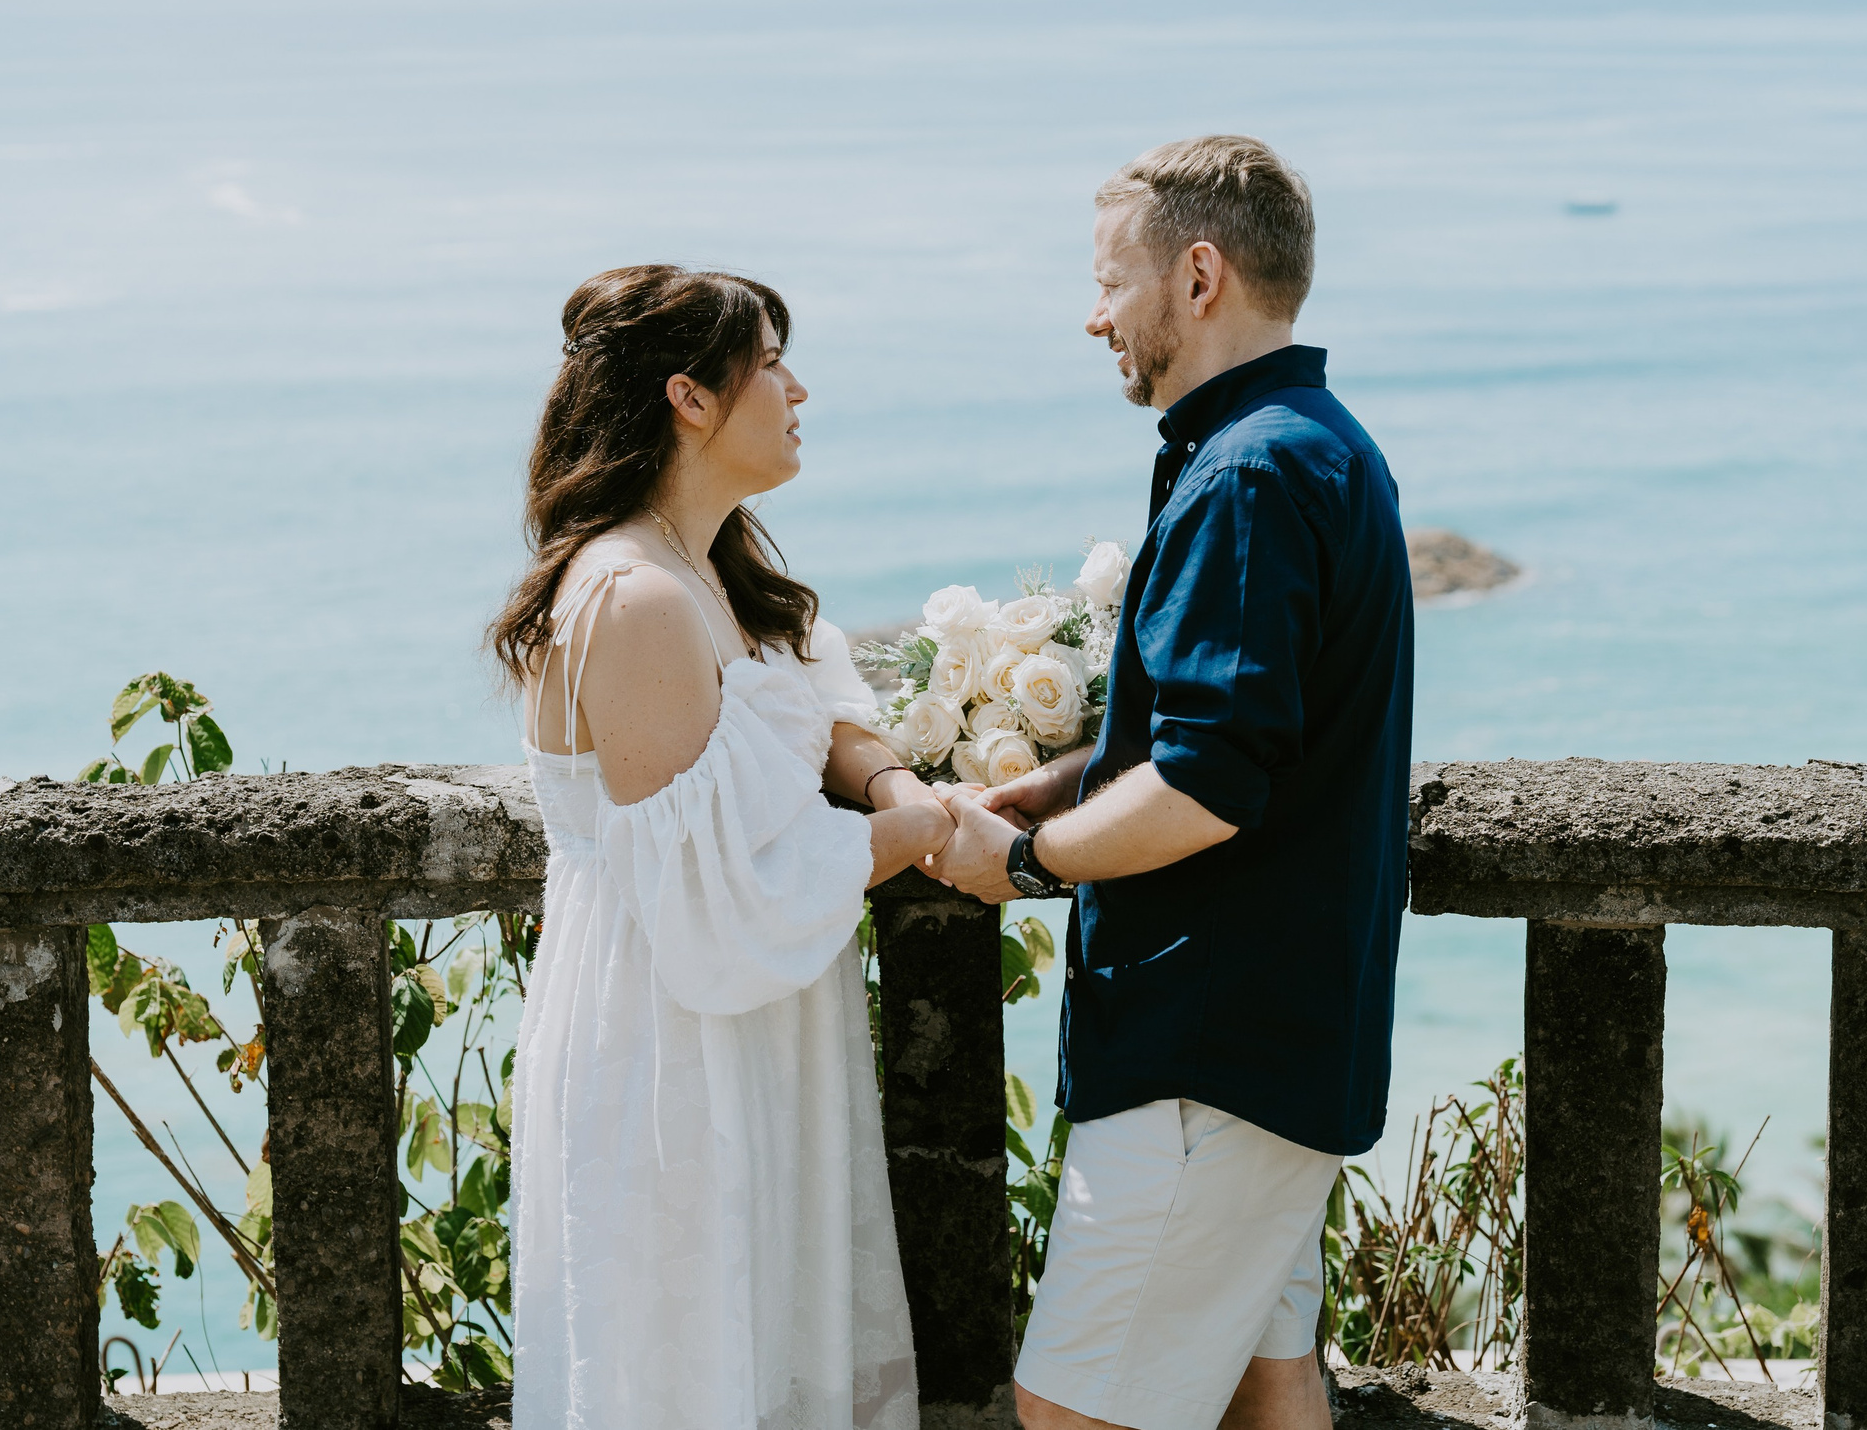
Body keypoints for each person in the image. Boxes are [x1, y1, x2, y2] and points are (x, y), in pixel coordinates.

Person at [925, 137, 1415, 1430]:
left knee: (1069, 1410)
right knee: (1266, 1383)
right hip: (1286, 1031)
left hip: (1211, 1042)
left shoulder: (1247, 474)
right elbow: (1252, 727)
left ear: (1198, 277)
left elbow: (1208, 784)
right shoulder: (1318, 445)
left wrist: (1020, 862)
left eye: (1109, 282)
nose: (1094, 316)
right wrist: (1066, 781)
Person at [487, 264, 949, 1429]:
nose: (799, 391)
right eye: (772, 364)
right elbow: (716, 897)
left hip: (741, 1025)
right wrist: (909, 835)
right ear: (689, 399)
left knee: (756, 1347)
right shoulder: (634, 597)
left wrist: (890, 780)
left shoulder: (708, 563)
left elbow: (816, 697)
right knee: (686, 1365)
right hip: (671, 1046)